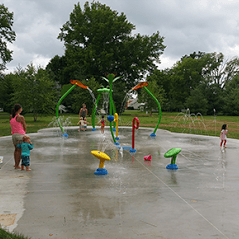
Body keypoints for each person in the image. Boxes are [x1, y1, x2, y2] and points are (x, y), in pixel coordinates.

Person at [10, 104, 26, 169]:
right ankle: (17, 165)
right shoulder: (21, 117)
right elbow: (24, 126)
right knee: (19, 150)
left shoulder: (11, 117)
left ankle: (16, 164)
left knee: (16, 150)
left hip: (14, 135)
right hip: (20, 135)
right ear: (19, 109)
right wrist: (24, 133)